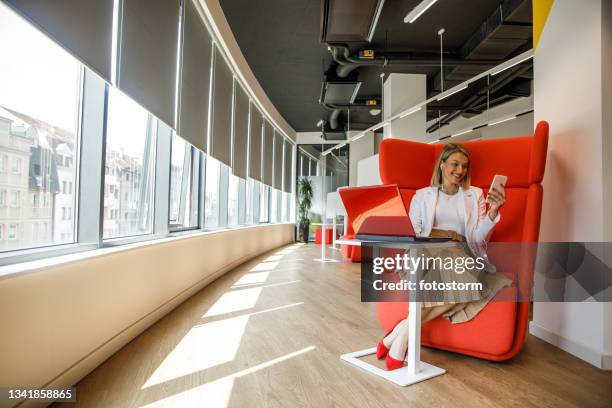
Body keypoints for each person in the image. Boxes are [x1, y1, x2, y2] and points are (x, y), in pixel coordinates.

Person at [376, 143, 511, 370]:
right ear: (442, 164)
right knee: (459, 284)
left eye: (465, 167)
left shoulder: (475, 194)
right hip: (426, 251)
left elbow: (476, 238)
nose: (460, 171)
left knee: (464, 286)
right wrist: (448, 234)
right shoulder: (422, 196)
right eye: (455, 164)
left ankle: (398, 337)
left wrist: (493, 213)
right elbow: (415, 232)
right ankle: (398, 343)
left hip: (458, 254)